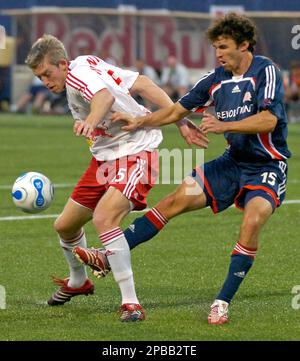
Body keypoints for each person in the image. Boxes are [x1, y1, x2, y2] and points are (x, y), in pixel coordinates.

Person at [74, 13, 291, 325]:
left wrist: (225, 124)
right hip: (231, 164)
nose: (218, 53)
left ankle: (221, 302)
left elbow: (270, 119)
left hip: (267, 166)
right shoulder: (215, 79)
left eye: (224, 47)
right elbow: (177, 110)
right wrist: (139, 121)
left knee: (253, 219)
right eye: (215, 47)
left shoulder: (265, 70)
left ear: (245, 45)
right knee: (173, 201)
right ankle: (106, 258)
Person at [25, 35, 207, 322]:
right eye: (39, 76)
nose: (45, 81)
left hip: (136, 152)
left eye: (48, 73)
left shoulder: (77, 77)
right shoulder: (87, 62)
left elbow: (104, 97)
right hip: (105, 157)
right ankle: (79, 281)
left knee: (105, 218)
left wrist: (90, 121)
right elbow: (143, 84)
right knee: (65, 226)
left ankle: (131, 303)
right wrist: (180, 119)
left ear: (63, 64)